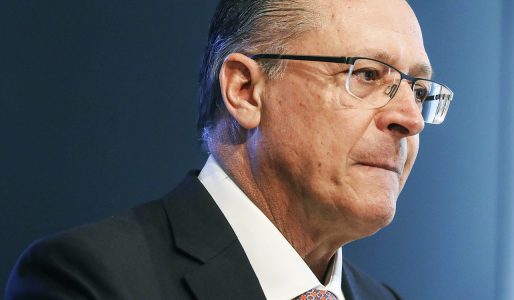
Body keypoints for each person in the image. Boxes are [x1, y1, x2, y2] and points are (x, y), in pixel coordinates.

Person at [5, 0, 453, 299]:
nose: (410, 119)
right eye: (369, 75)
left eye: (417, 90)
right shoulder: (91, 280)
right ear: (245, 91)